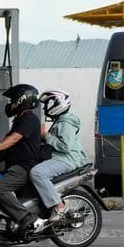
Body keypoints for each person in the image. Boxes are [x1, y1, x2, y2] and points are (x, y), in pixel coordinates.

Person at [0, 84, 44, 234]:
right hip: (14, 166)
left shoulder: (29, 118)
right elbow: (9, 143)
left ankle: (26, 217)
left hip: (22, 168)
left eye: (13, 100)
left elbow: (13, 139)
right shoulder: (19, 120)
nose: (10, 104)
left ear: (22, 100)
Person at [30, 90, 87, 221]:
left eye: (47, 104)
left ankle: (59, 206)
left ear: (57, 104)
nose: (45, 108)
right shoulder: (61, 121)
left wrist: (47, 136)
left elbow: (66, 147)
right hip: (60, 158)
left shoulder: (66, 122)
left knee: (37, 173)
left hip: (66, 160)